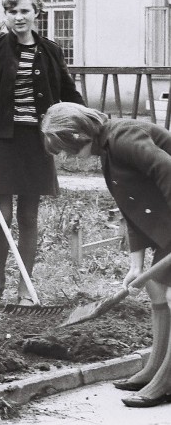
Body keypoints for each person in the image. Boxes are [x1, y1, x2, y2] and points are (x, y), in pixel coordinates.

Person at [41, 102, 171, 408]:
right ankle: (154, 368)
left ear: (77, 135)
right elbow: (131, 208)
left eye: (62, 148)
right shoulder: (108, 153)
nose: (63, 156)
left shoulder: (124, 137)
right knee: (154, 286)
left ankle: (166, 381)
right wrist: (135, 265)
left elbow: (166, 169)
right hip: (165, 227)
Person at [0, 0, 84, 307]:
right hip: (1, 141)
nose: (19, 17)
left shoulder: (50, 50)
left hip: (36, 142)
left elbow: (69, 94)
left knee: (29, 217)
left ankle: (25, 286)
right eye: (12, 11)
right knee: (0, 216)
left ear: (36, 14)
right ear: (6, 15)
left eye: (25, 11)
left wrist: (90, 124)